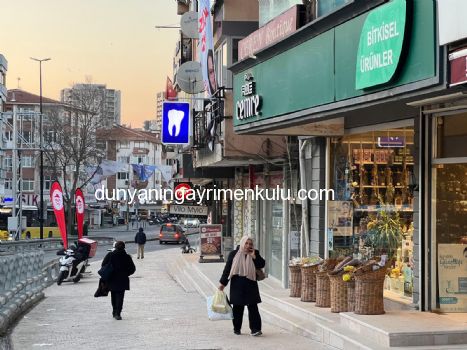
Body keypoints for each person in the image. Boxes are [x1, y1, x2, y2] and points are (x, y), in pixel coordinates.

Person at [219, 236, 265, 336]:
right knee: (237, 308)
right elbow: (227, 270)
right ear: (242, 243)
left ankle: (255, 329)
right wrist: (222, 284)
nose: (248, 245)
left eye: (250, 244)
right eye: (246, 243)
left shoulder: (255, 253)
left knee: (253, 307)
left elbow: (262, 264)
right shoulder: (234, 254)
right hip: (237, 284)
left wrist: (254, 257)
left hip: (250, 283)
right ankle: (237, 328)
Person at [101, 241, 136, 320]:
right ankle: (118, 313)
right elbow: (132, 269)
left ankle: (114, 311)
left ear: (115, 247)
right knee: (120, 296)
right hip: (122, 279)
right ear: (124, 248)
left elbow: (103, 265)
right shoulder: (127, 257)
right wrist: (126, 274)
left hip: (112, 279)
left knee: (113, 295)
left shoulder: (110, 255)